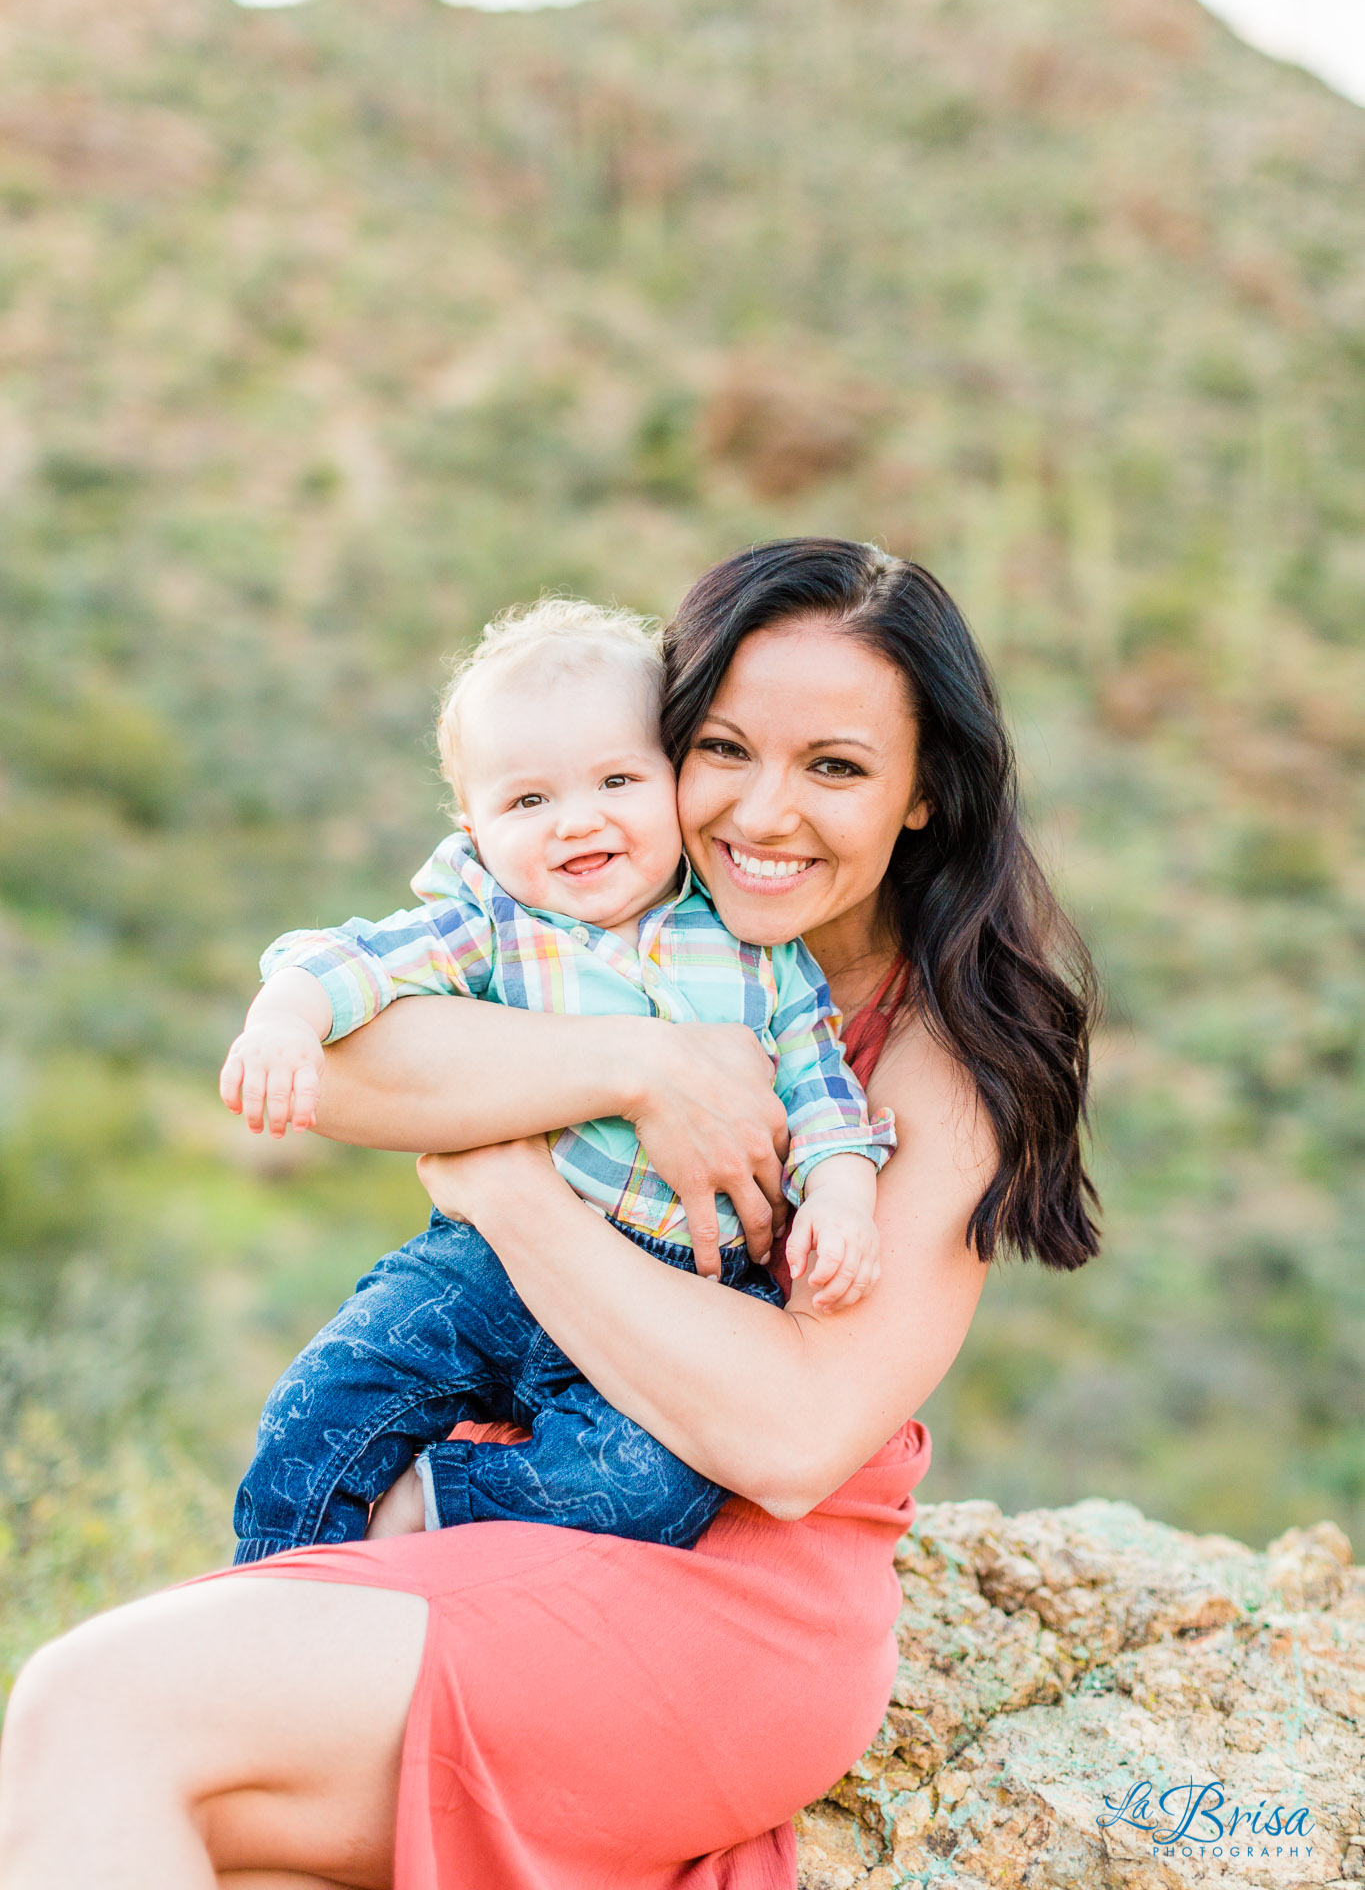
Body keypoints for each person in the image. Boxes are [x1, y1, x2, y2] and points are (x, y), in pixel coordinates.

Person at [0, 539, 1101, 1890]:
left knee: (93, 1702)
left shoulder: (945, 1056)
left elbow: (796, 1436)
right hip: (507, 1537)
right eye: (723, 749)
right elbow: (342, 1065)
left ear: (925, 793)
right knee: (182, 1830)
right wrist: (644, 1069)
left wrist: (507, 1186)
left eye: (834, 767)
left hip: (721, 1587)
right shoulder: (569, 899)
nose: (762, 813)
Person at [221, 596, 894, 1563]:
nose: (578, 823)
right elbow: (356, 962)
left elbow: (822, 1088)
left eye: (616, 780)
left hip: (683, 1288)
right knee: (326, 1397)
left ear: (674, 783)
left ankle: (427, 1504)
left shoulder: (756, 948)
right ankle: (267, 1598)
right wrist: (285, 1019)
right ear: (473, 826)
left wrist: (842, 1196)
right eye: (527, 802)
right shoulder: (492, 922)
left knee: (647, 1488)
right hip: (482, 1267)